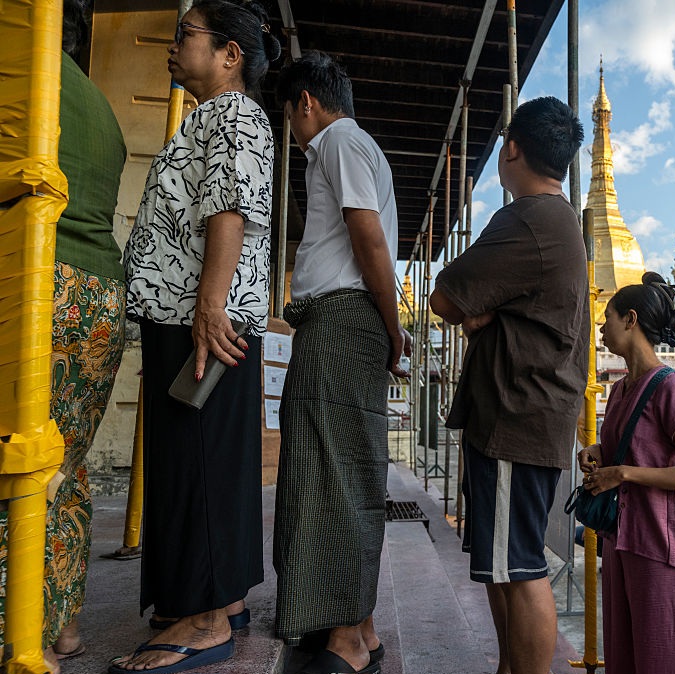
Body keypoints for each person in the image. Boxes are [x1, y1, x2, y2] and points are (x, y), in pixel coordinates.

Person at [112, 2, 280, 672]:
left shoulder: (235, 113)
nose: (173, 47)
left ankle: (208, 619)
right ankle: (212, 599)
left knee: (204, 462)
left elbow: (230, 206)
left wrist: (211, 305)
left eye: (187, 36)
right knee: (191, 461)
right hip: (187, 314)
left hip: (201, 318)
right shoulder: (208, 117)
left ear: (230, 53)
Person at [430, 96, 589, 674]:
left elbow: (445, 296)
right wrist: (483, 312)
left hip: (514, 416)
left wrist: (479, 312)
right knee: (505, 562)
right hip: (526, 416)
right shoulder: (557, 218)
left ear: (513, 147)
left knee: (520, 566)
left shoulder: (527, 217)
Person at [272, 52, 410, 674]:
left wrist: (393, 325)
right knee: (340, 467)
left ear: (306, 102)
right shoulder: (353, 149)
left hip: (343, 320)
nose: (290, 125)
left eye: (289, 111)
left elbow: (369, 236)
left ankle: (349, 637)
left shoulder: (337, 142)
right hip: (347, 321)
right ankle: (355, 625)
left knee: (331, 472)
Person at [0, 0, 126, 668]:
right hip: (101, 294)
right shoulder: (103, 112)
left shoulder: (18, 72)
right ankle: (63, 625)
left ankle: (17, 637)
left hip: (37, 280)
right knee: (66, 466)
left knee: (14, 460)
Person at [576, 274, 675, 674]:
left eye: (608, 319)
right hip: (621, 540)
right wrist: (597, 453)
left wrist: (624, 474)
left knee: (663, 658)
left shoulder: (672, 387)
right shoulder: (619, 391)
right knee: (626, 656)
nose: (602, 328)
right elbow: (633, 448)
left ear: (630, 319)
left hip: (661, 545)